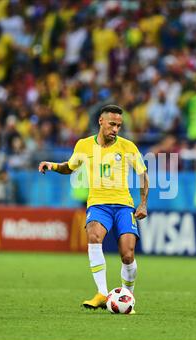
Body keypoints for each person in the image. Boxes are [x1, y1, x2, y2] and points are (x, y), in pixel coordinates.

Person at [38, 105, 149, 313]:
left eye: (119, 126)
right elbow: (69, 167)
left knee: (127, 254)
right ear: (101, 121)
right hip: (98, 204)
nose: (115, 129)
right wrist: (52, 165)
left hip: (124, 206)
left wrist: (142, 203)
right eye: (112, 124)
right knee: (94, 236)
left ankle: (128, 297)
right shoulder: (84, 145)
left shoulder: (128, 147)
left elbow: (143, 175)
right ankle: (101, 292)